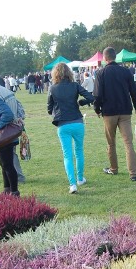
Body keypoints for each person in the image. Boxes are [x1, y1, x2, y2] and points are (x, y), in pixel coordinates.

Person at [93, 47, 136, 181]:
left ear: (104, 58)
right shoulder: (125, 71)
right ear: (115, 57)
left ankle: (114, 169)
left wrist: (97, 109)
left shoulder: (101, 73)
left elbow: (97, 95)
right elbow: (134, 92)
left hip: (109, 112)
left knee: (111, 143)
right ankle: (133, 174)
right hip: (125, 111)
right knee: (128, 143)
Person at [47, 62, 95, 194]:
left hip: (62, 124)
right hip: (78, 122)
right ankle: (80, 178)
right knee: (79, 151)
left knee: (67, 155)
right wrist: (81, 102)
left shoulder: (53, 88)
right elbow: (91, 97)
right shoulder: (75, 85)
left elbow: (49, 108)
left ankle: (72, 184)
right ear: (69, 73)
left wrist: (55, 110)